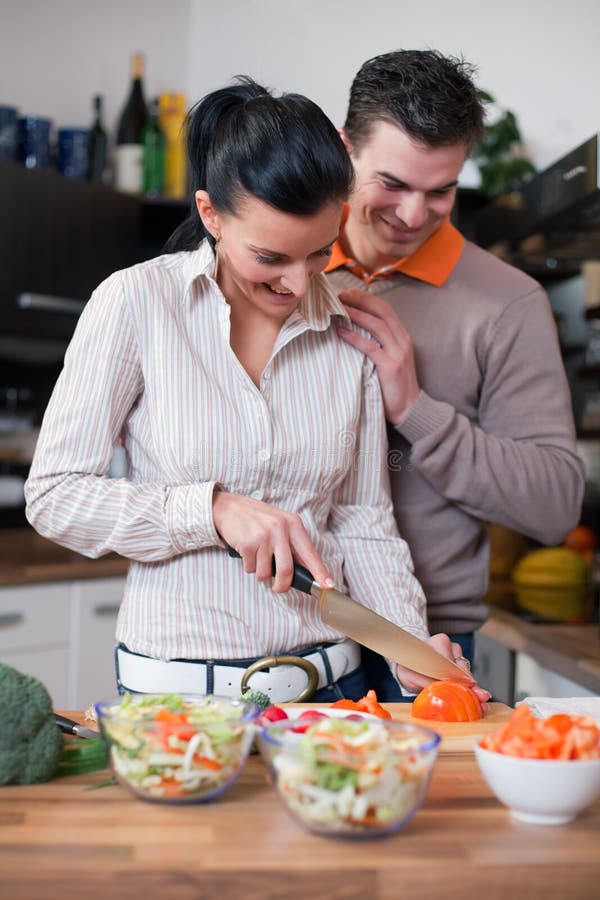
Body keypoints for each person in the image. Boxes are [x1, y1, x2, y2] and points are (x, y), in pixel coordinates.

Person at [24, 77, 488, 705]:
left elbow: (363, 520)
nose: (299, 284)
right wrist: (211, 510)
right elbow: (55, 497)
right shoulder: (135, 303)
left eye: (320, 253)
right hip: (177, 699)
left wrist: (408, 645)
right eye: (270, 257)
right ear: (211, 214)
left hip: (333, 689)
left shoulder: (349, 325)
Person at [325, 50, 585, 700]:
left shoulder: (509, 303)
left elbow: (555, 506)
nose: (414, 214)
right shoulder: (280, 266)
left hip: (427, 652)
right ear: (343, 148)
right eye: (392, 183)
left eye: (439, 190)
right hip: (279, 635)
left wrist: (416, 408)